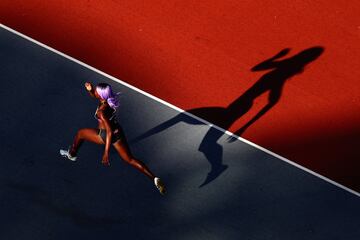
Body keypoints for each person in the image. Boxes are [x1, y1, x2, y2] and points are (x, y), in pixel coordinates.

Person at [60, 82, 166, 195]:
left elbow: (109, 131)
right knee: (130, 159)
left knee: (80, 133)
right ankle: (154, 178)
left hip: (106, 134)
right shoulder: (109, 100)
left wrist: (106, 152)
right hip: (118, 132)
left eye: (96, 91)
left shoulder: (101, 112)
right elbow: (95, 96)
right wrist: (90, 90)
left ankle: (72, 155)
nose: (95, 92)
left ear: (101, 95)